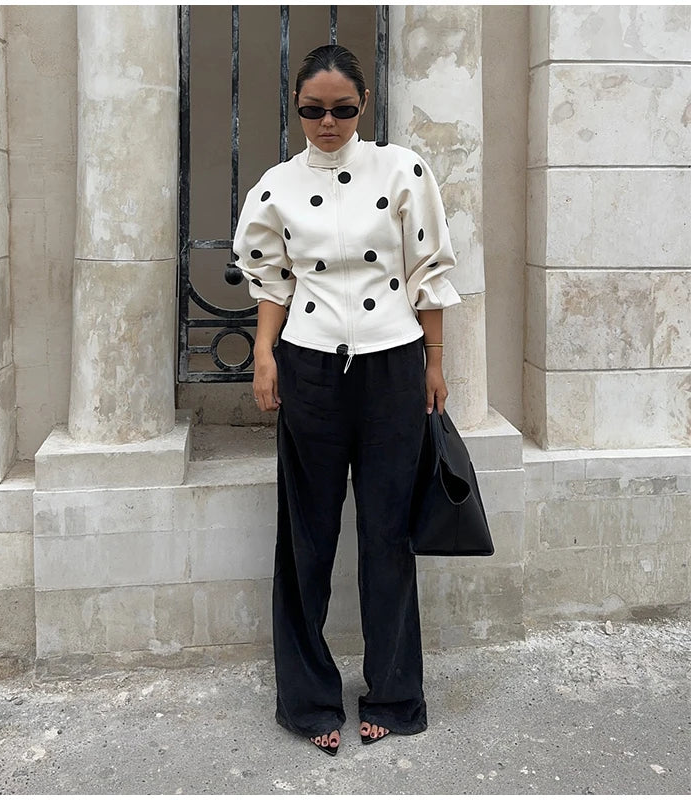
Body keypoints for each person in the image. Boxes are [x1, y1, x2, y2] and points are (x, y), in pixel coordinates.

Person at [232, 43, 461, 756]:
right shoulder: (276, 186)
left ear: (363, 107)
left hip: (393, 366)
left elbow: (428, 269)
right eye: (312, 109)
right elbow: (269, 279)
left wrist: (435, 361)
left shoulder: (401, 169)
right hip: (310, 369)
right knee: (307, 539)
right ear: (296, 109)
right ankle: (307, 699)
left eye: (342, 109)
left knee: (388, 536)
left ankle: (395, 693)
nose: (327, 121)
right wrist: (265, 357)